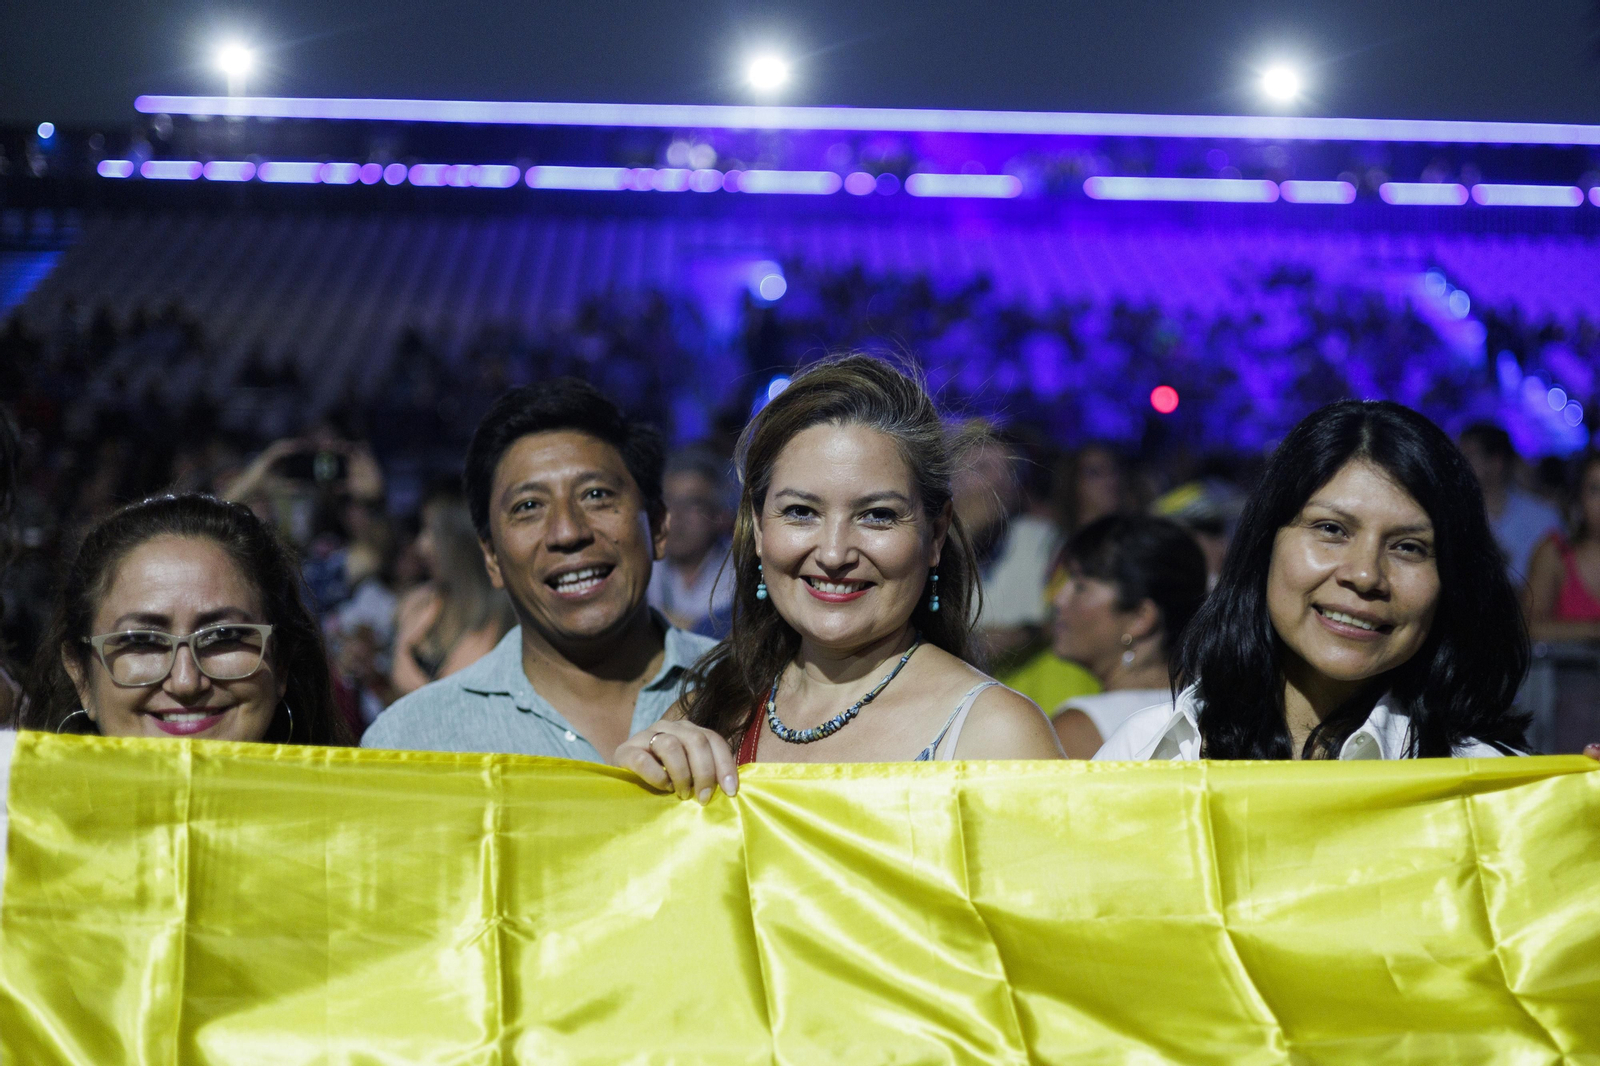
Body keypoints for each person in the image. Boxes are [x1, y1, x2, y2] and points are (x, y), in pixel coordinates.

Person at [615, 355, 1063, 802]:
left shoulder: (997, 737)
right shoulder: (709, 709)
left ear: (936, 533)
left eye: (877, 516)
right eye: (801, 512)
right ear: (758, 527)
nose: (833, 554)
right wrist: (633, 802)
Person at [1098, 401, 1532, 762]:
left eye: (1408, 547)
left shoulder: (1495, 791)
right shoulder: (1153, 751)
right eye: (1331, 530)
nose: (1364, 575)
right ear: (1265, 543)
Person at [361, 379, 716, 760]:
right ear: (492, 558)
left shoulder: (754, 695)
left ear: (659, 525)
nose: (568, 532)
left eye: (596, 495)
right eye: (528, 507)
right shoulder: (412, 743)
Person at [14, 493, 351, 745]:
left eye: (224, 637)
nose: (187, 682)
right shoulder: (15, 834)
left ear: (282, 664)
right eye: (141, 642)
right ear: (81, 677)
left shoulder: (363, 834)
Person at [1050, 516, 1208, 758]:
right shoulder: (1215, 712)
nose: (1058, 599)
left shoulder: (1078, 728)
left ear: (1140, 618)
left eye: (1080, 586)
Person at [389, 494, 516, 697]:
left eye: (432, 533)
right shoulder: (415, 604)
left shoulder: (507, 617)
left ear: (461, 541)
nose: (421, 546)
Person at [647, 446, 735, 636]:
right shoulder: (643, 566)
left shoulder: (742, 572)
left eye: (692, 503)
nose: (676, 515)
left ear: (720, 515)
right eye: (668, 503)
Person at [1458, 422, 1561, 583]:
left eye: (1469, 456)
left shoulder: (1542, 518)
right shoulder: (1455, 515)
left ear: (1496, 462)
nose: (1459, 464)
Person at [1524, 451, 1600, 643]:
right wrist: (1592, 631)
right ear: (1579, 499)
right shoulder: (1556, 552)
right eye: (1595, 490)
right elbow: (1530, 627)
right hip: (1566, 671)